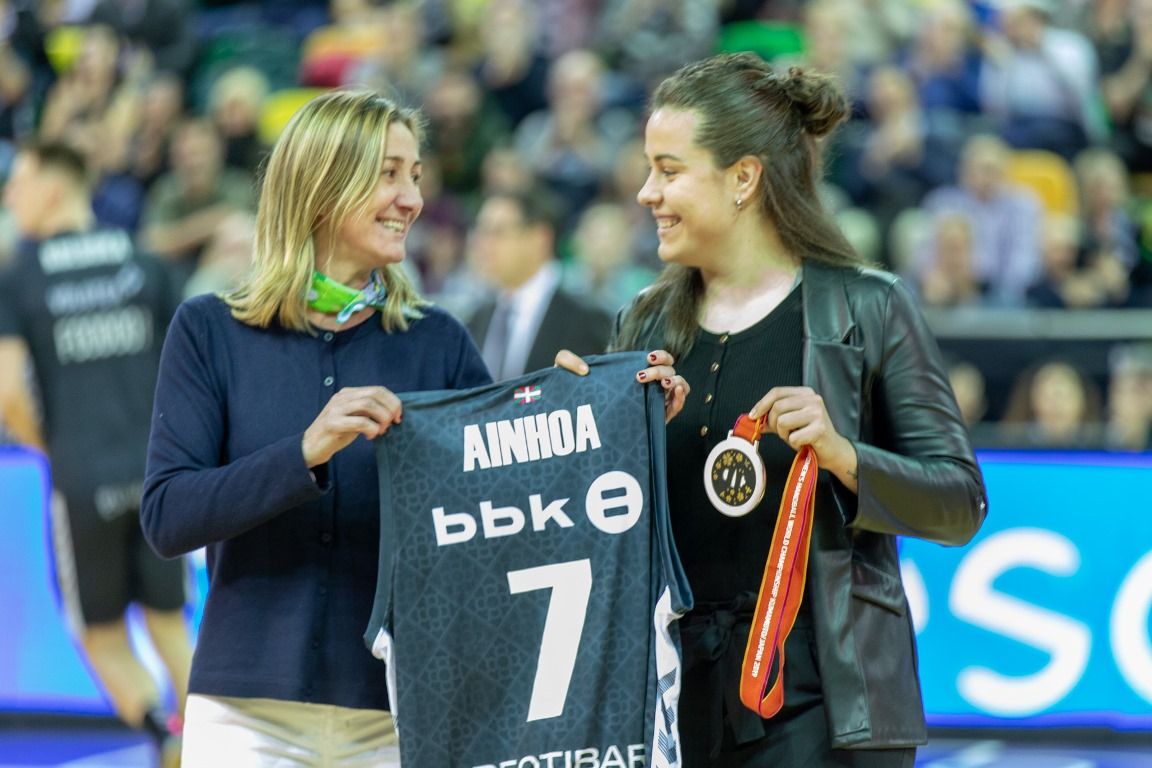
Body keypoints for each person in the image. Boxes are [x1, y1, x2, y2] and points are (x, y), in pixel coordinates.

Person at [138, 89, 684, 763]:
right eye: (389, 173)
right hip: (246, 713)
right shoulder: (210, 330)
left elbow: (515, 507)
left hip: (402, 715)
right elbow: (168, 517)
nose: (412, 200)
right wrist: (305, 452)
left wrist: (590, 409)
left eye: (416, 176)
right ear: (321, 184)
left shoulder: (438, 342)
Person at [608, 52, 988, 766]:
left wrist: (844, 455)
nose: (645, 193)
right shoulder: (643, 322)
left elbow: (960, 503)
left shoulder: (870, 306)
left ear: (743, 178)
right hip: (673, 695)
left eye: (668, 169)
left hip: (824, 698)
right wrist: (594, 430)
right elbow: (610, 524)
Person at [0, 140, 189, 766]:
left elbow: (7, 394)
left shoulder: (19, 275)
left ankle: (165, 734)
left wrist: (52, 446)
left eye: (18, 182)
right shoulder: (144, 260)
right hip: (158, 474)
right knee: (168, 621)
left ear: (55, 187)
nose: (10, 195)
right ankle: (216, 742)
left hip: (81, 480)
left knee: (98, 634)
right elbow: (186, 371)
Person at [466, 185, 613, 381]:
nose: (482, 243)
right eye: (480, 230)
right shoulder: (477, 319)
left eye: (497, 231)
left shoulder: (587, 320)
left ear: (539, 238)